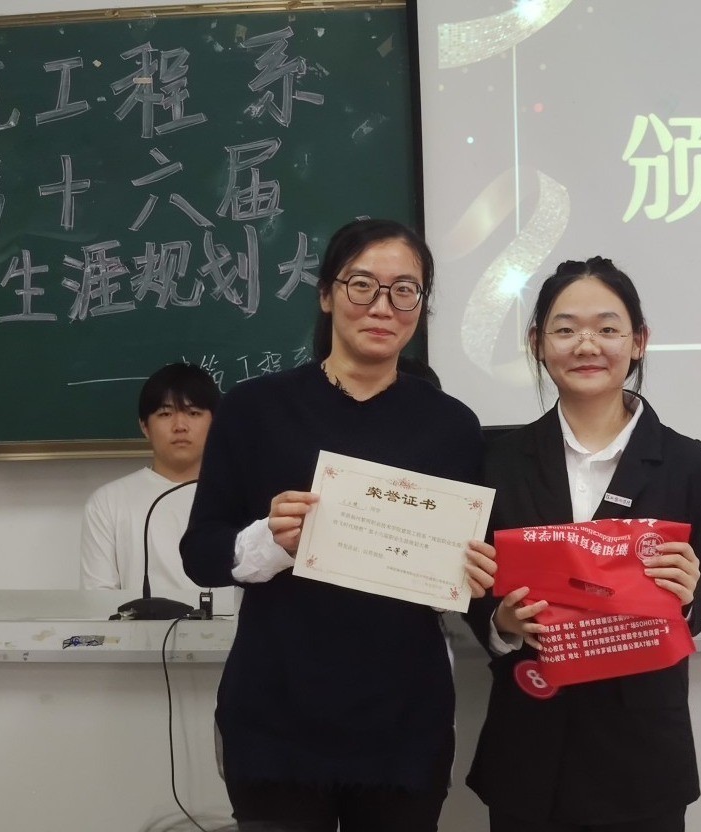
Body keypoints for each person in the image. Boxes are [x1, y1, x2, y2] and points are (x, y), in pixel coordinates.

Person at [180, 218, 498, 832]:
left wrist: (472, 574)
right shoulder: (254, 409)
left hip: (403, 722)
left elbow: (468, 568)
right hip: (277, 717)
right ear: (327, 294)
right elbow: (201, 551)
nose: (383, 306)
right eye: (362, 285)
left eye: (405, 290)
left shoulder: (452, 426)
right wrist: (269, 540)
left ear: (422, 306)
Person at [465, 256, 701, 832]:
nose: (587, 345)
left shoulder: (686, 462)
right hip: (530, 742)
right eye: (565, 329)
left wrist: (690, 595)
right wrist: (501, 622)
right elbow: (473, 584)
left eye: (608, 328)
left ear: (638, 342)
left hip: (640, 752)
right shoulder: (497, 462)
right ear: (537, 344)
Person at [80, 363, 233, 613]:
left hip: (227, 636)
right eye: (165, 414)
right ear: (144, 426)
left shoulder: (239, 497)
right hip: (136, 637)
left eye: (194, 413)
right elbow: (97, 600)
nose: (180, 426)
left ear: (215, 422)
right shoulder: (108, 501)